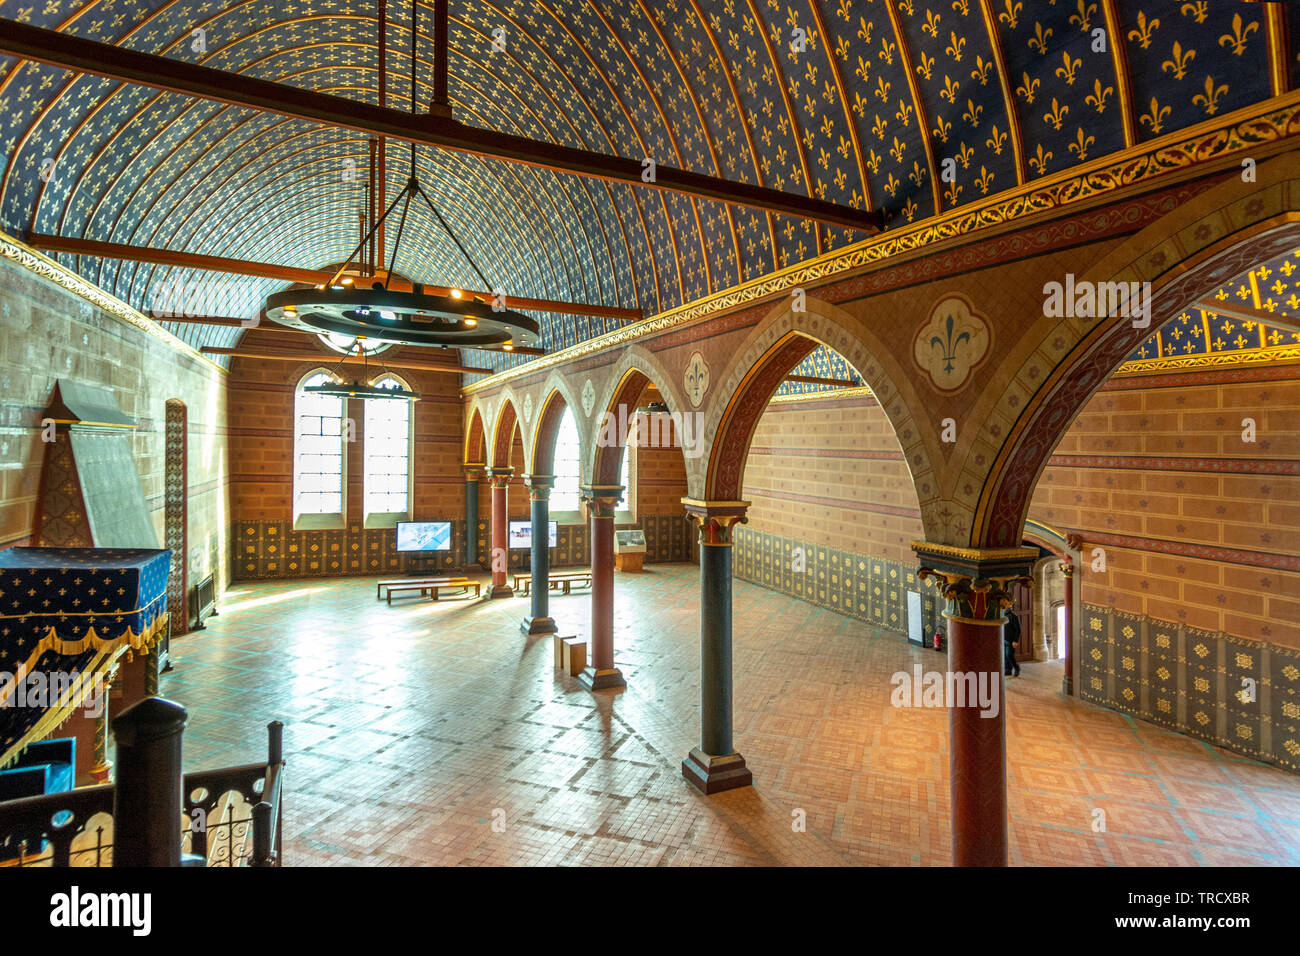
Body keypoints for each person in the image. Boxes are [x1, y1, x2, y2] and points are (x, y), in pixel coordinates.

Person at [1003, 605, 1021, 678]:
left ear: (1010, 606)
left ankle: (1017, 668)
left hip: (1011, 640)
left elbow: (1018, 629)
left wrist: (1015, 640)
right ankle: (1008, 670)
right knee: (1005, 656)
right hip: (1003, 639)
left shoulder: (1013, 616)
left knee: (1009, 655)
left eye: (1006, 604)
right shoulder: (1002, 615)